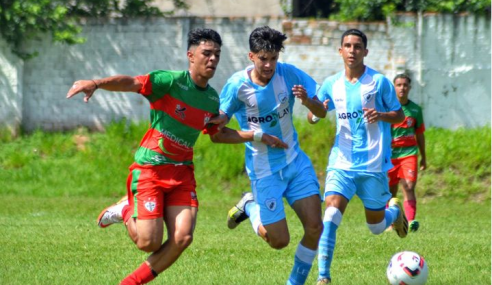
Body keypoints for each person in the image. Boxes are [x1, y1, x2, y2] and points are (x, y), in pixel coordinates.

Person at [66, 28, 222, 285]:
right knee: (148, 242)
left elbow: (217, 133)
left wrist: (257, 136)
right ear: (190, 56)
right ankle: (125, 210)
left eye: (217, 54)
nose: (213, 59)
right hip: (151, 169)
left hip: (182, 173)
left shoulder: (212, 99)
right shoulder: (170, 81)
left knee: (183, 237)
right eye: (207, 53)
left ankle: (129, 283)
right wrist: (96, 83)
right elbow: (132, 83)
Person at [209, 26, 326, 285]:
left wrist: (308, 101)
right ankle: (250, 206)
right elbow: (218, 133)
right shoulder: (237, 86)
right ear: (251, 56)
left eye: (274, 58)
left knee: (315, 227)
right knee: (279, 241)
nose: (269, 64)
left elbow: (322, 111)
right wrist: (256, 135)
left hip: (295, 163)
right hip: (264, 172)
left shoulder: (289, 74)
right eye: (263, 58)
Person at [308, 29, 407, 285]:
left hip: (373, 166)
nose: (352, 50)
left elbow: (399, 116)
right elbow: (314, 114)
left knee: (375, 227)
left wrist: (381, 115)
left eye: (357, 46)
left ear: (365, 51)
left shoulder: (380, 82)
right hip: (341, 163)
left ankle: (394, 214)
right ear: (340, 51)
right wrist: (315, 112)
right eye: (347, 46)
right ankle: (323, 277)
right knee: (330, 215)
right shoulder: (331, 83)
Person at [388, 74, 426, 233]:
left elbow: (420, 134)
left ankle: (410, 221)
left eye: (405, 85)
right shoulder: (388, 108)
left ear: (409, 88)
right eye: (398, 85)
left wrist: (424, 157)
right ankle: (392, 223)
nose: (402, 88)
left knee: (409, 187)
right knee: (390, 190)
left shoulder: (415, 110)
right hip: (390, 155)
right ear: (394, 87)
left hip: (409, 154)